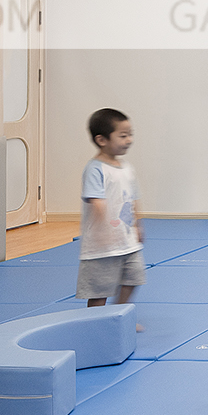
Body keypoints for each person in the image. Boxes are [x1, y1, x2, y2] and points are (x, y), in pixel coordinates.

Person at [77, 108, 144, 312]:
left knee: (133, 278)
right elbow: (97, 201)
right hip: (101, 246)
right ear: (102, 140)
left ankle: (117, 315)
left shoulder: (127, 168)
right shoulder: (95, 169)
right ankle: (96, 320)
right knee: (99, 290)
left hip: (127, 241)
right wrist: (104, 228)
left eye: (130, 134)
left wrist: (138, 225)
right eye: (123, 136)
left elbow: (133, 199)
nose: (129, 140)